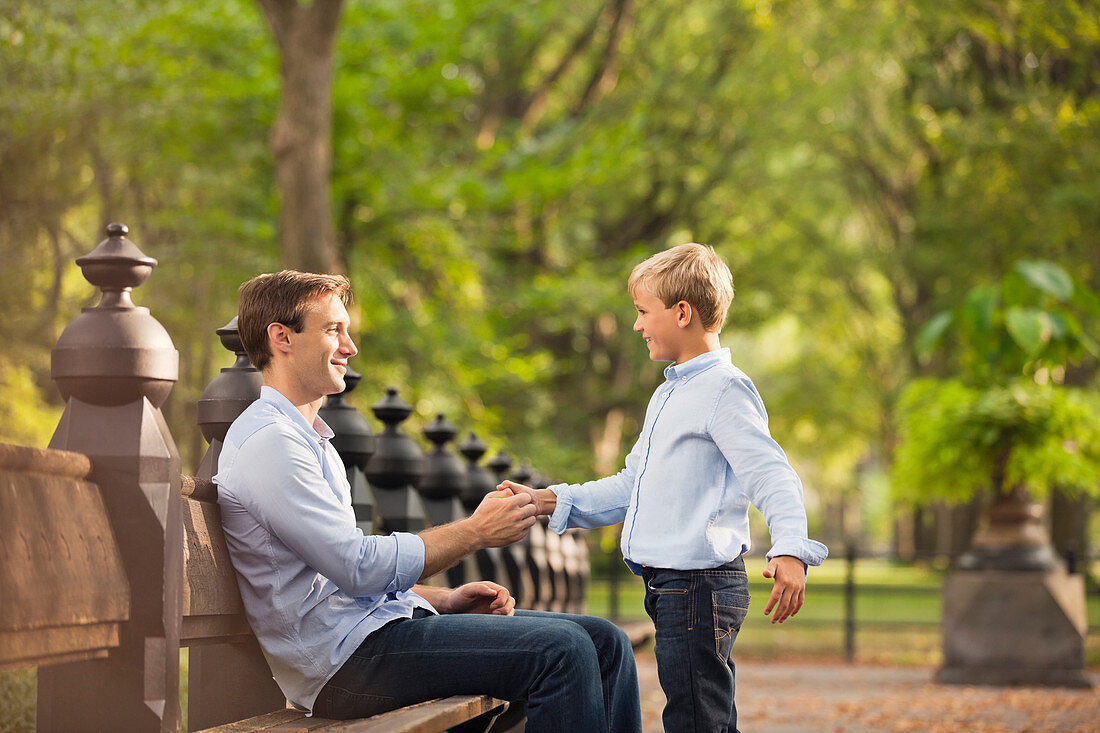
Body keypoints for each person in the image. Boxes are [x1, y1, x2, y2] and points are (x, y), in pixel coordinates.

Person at [213, 270, 641, 732]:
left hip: (371, 633)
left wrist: (445, 598)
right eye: (334, 330)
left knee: (603, 640)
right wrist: (475, 532)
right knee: (563, 651)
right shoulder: (271, 443)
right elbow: (354, 566)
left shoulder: (307, 439)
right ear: (282, 338)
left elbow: (332, 577)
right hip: (342, 662)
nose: (350, 346)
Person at [499, 243, 829, 732]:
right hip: (673, 587)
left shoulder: (723, 389)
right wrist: (549, 500)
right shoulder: (670, 391)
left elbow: (771, 473)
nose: (635, 325)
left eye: (642, 312)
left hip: (699, 586)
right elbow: (635, 485)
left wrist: (791, 548)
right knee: (701, 716)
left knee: (696, 720)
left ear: (682, 313)